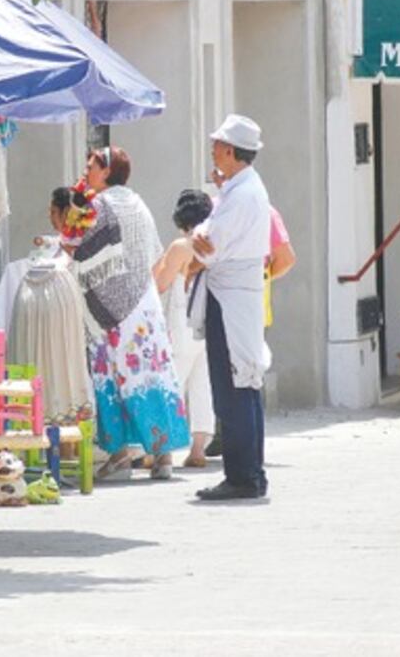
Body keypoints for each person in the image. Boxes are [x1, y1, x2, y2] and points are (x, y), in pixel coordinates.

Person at [67, 146, 190, 481]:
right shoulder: (138, 201)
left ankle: (119, 453)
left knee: (108, 376)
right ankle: (162, 456)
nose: (87, 170)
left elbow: (81, 249)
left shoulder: (99, 205)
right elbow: (152, 254)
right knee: (150, 373)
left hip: (110, 309)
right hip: (143, 302)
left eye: (91, 165)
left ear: (106, 170)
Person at [188, 114, 272, 500]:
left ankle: (243, 476)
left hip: (230, 295)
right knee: (243, 384)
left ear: (232, 151)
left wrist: (198, 238)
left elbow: (209, 243)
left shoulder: (242, 194)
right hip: (235, 293)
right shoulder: (242, 188)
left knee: (234, 385)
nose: (213, 150)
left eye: (218, 145)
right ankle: (248, 472)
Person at [152, 190, 215, 468]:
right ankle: (198, 448)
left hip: (182, 318)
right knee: (203, 384)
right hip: (208, 318)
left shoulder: (180, 246)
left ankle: (161, 447)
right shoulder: (213, 243)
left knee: (172, 381)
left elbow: (161, 284)